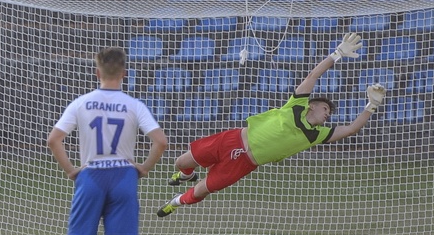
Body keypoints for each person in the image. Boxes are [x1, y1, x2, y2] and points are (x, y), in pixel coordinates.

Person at [157, 32, 386, 217]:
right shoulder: (295, 106)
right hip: (233, 140)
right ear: (311, 106)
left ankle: (175, 203)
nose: (328, 115)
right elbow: (313, 76)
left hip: (245, 162)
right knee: (181, 161)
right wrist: (337, 54)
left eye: (330, 113)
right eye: (325, 109)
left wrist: (371, 106)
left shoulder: (316, 134)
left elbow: (352, 129)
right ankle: (185, 175)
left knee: (203, 190)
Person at [41, 46, 168, 235]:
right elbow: (161, 141)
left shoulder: (82, 103)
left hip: (92, 175)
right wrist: (144, 168)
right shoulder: (134, 104)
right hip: (123, 176)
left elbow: (54, 139)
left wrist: (72, 171)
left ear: (97, 72)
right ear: (124, 73)